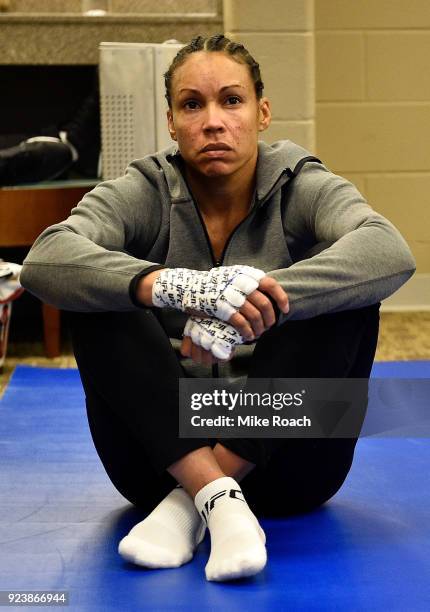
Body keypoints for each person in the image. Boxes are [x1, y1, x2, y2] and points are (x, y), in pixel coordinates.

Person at [20, 34, 416, 582]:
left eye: (232, 100)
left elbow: (390, 250)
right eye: (192, 104)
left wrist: (254, 302)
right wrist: (174, 286)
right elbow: (46, 260)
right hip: (156, 457)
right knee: (101, 299)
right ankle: (216, 499)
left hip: (292, 460)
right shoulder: (145, 188)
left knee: (346, 300)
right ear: (171, 122)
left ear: (262, 113)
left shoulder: (300, 182)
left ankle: (195, 503)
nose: (212, 121)